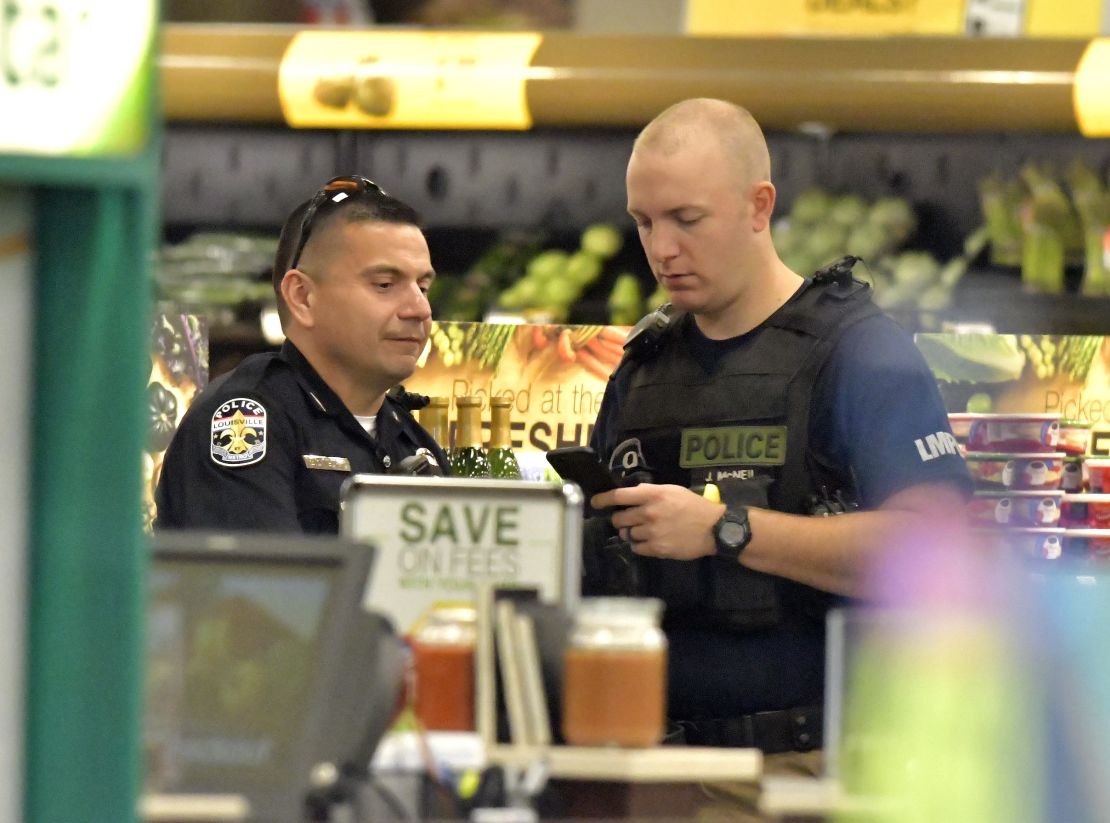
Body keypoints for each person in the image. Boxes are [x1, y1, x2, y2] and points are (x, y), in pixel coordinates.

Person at [586, 100, 971, 765]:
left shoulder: (859, 353)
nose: (662, 248)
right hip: (649, 761)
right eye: (644, 222)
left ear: (759, 206)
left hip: (809, 765)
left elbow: (936, 551)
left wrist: (723, 529)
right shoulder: (643, 367)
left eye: (687, 219)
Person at [156, 175, 449, 533]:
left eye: (423, 287)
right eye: (385, 284)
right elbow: (261, 584)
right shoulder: (246, 419)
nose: (419, 309)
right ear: (302, 297)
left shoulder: (414, 442)